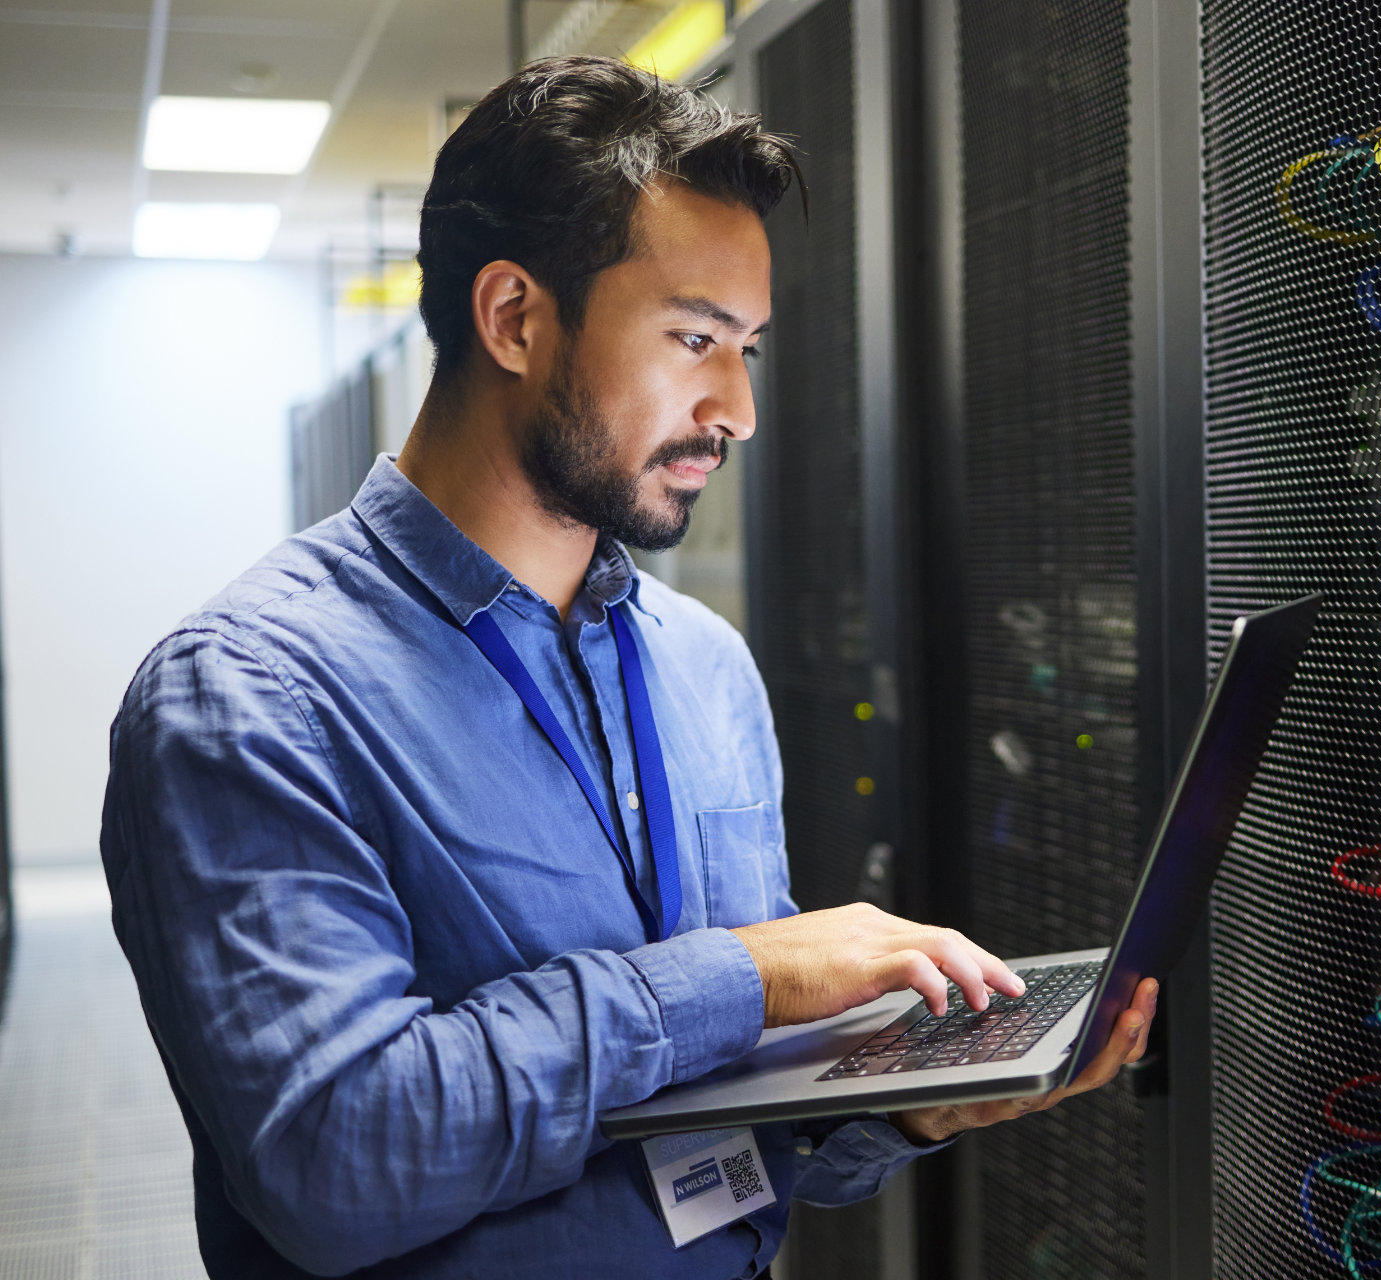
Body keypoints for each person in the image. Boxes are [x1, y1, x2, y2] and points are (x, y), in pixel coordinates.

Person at [100, 56, 1157, 1280]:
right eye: (695, 338)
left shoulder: (704, 665)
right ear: (513, 316)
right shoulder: (248, 696)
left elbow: (742, 1089)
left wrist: (903, 1105)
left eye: (749, 347)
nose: (738, 408)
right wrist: (741, 976)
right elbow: (335, 1161)